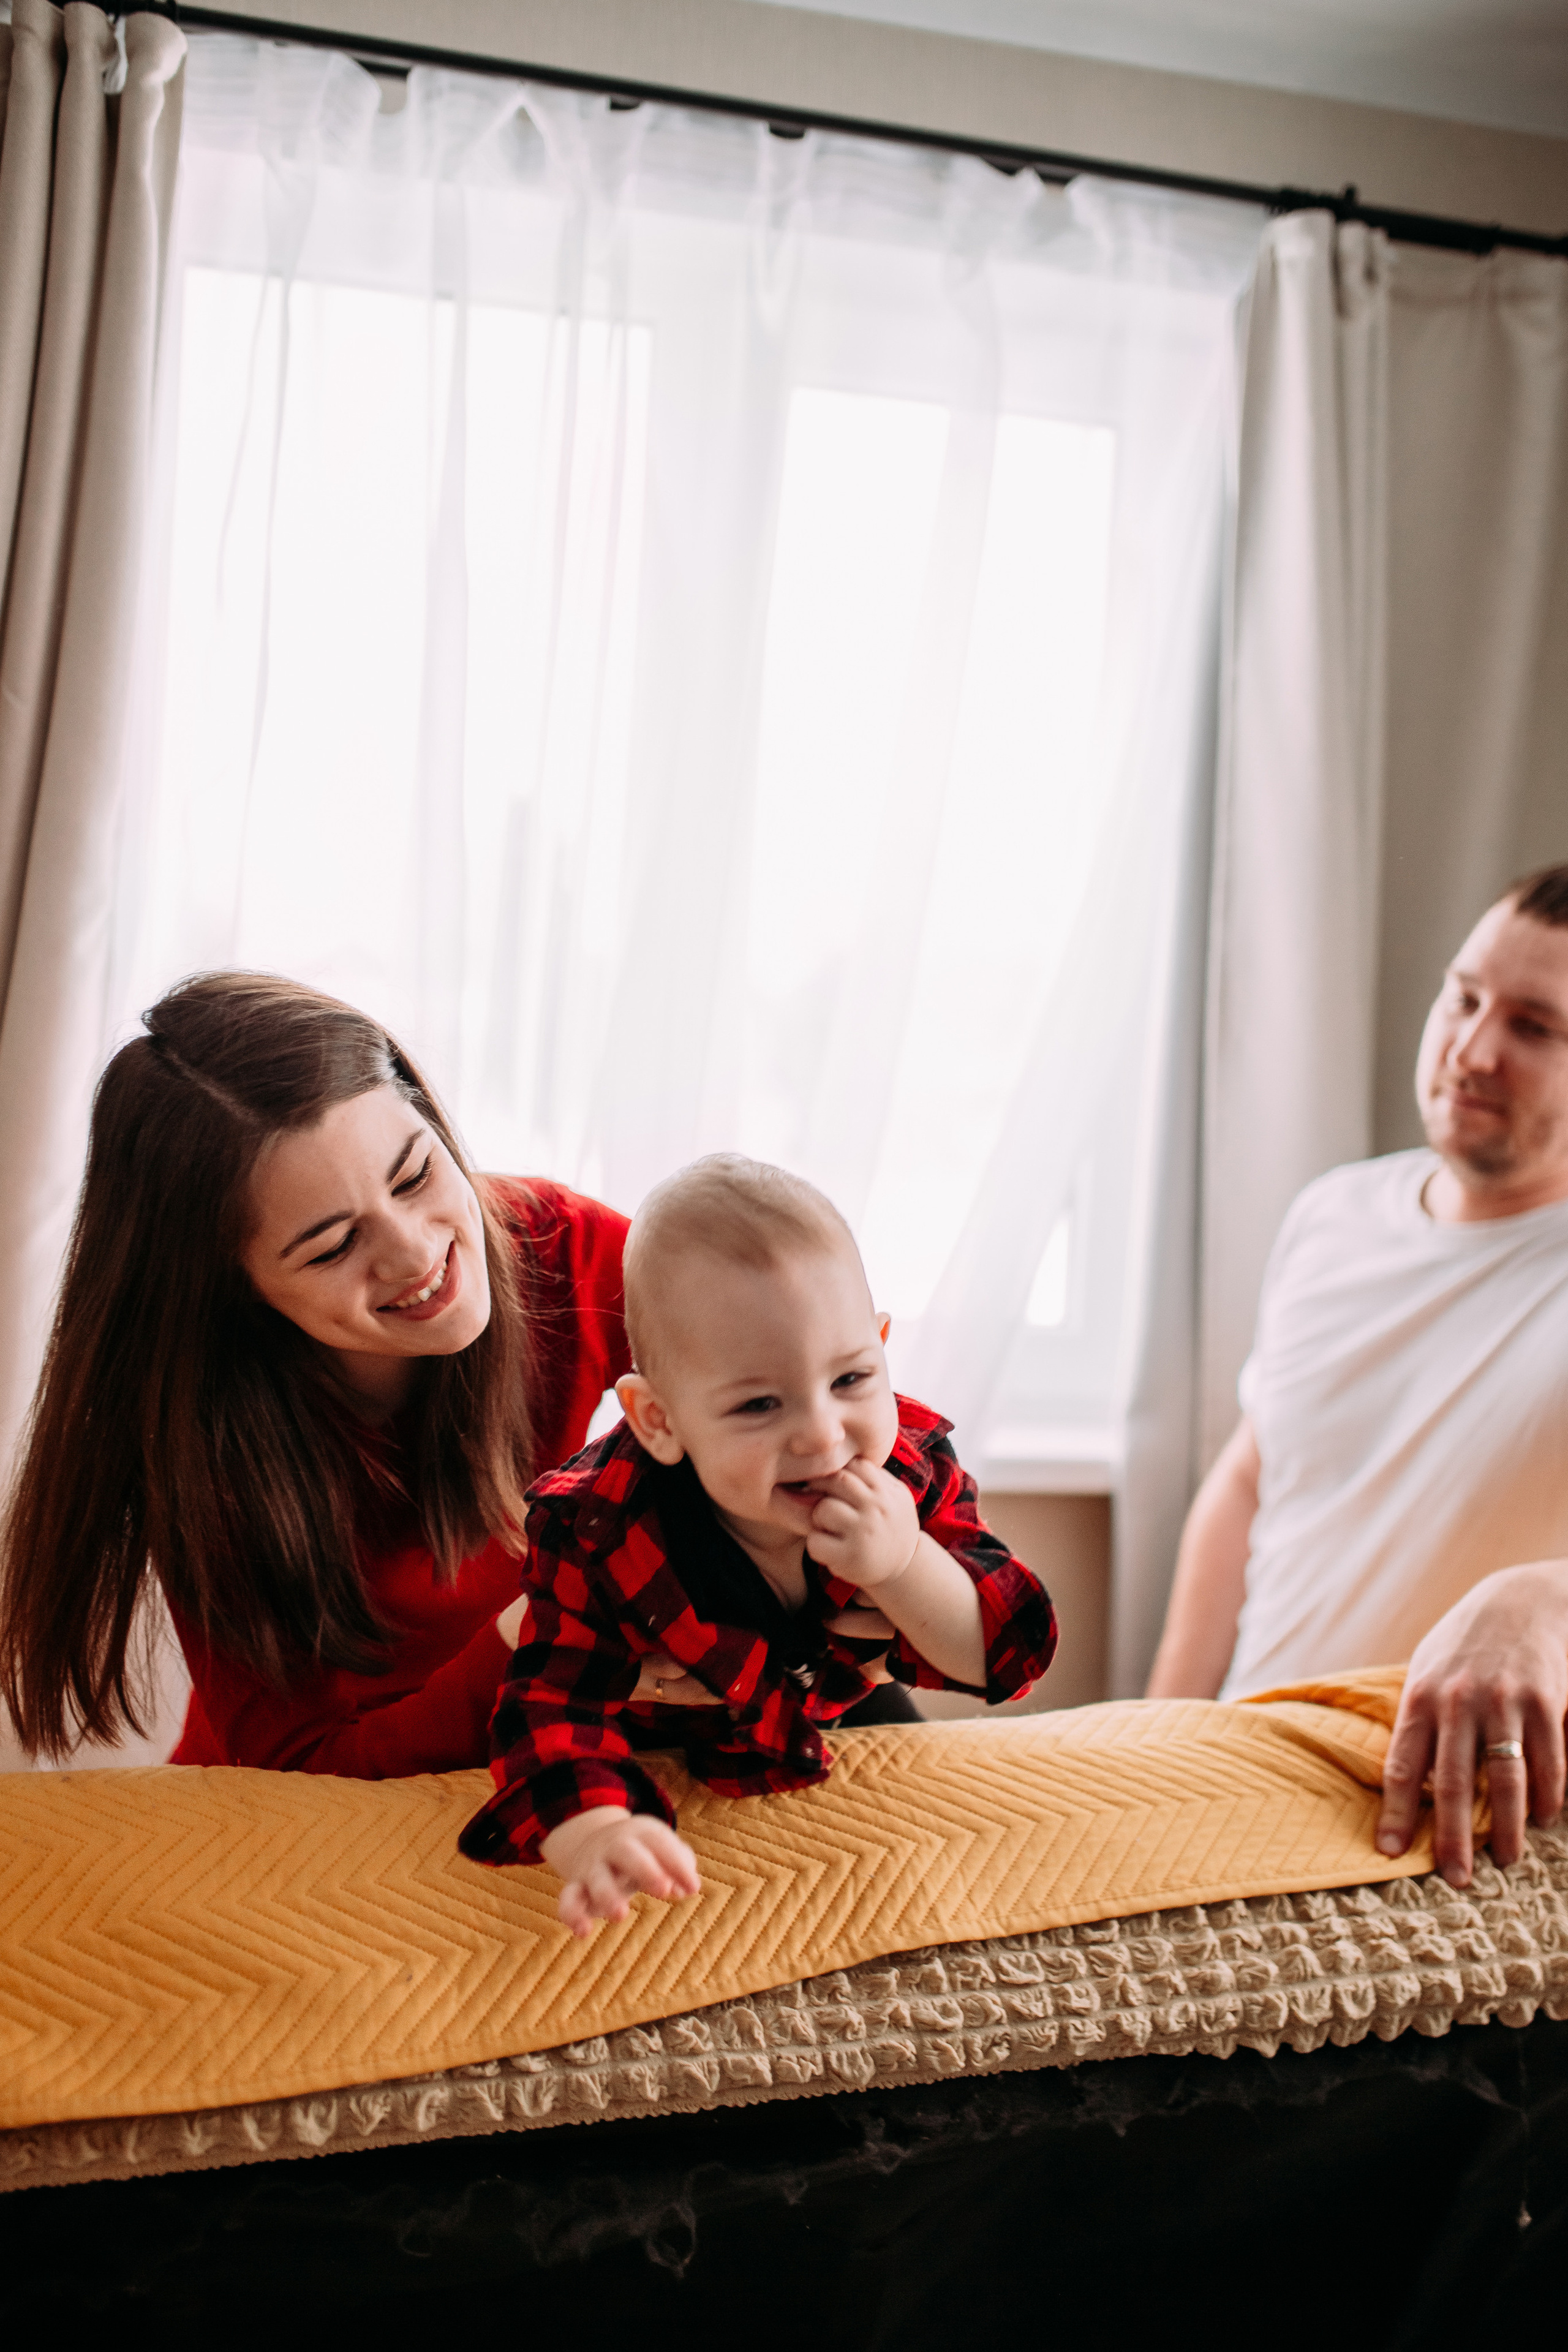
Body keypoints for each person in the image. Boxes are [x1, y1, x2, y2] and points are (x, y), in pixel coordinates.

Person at [0, 972, 633, 1774]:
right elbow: (295, 1765)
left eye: (415, 1175)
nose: (414, 1253)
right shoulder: (205, 1449)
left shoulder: (560, 1244)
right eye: (334, 1247)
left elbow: (776, 1382)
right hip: (298, 1806)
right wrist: (536, 1636)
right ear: (236, 1289)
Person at [459, 1156, 1058, 1934]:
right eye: (759, 1405)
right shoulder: (597, 1528)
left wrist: (906, 1566)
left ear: (881, 1349)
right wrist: (596, 1833)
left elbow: (1009, 1652)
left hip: (843, 1714)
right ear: (658, 1420)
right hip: (663, 1743)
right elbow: (548, 1708)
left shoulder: (907, 1472)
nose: (821, 1434)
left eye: (850, 1380)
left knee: (953, 1884)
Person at [1147, 865, 1568, 1889]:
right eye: (1464, 997)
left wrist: (1545, 1596)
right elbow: (1252, 1480)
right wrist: (1155, 1733)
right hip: (1234, 1766)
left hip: (1406, 1824)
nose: (1472, 1050)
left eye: (1535, 1027)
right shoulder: (1332, 1215)